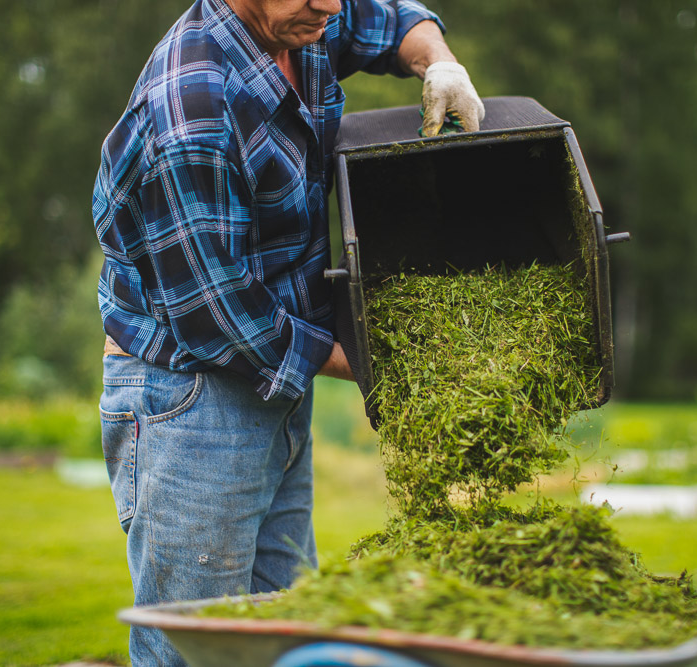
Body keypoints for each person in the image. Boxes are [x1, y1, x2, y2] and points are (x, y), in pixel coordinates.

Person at [92, 0, 483, 663]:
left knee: (285, 635)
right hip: (193, 399)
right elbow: (226, 319)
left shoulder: (303, 18)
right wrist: (378, 361)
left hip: (273, 384)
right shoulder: (191, 110)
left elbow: (386, 20)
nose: (330, 6)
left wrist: (441, 63)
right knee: (199, 648)